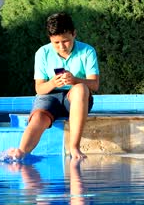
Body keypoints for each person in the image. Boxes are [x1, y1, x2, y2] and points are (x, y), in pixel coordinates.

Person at [8, 12, 100, 160]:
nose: (62, 46)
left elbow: (94, 85)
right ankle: (22, 151)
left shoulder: (87, 51)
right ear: (50, 39)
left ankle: (74, 147)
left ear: (74, 34)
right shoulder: (42, 53)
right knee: (38, 117)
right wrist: (52, 82)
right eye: (56, 43)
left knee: (81, 89)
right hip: (49, 96)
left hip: (77, 98)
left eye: (66, 41)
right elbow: (39, 89)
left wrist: (75, 79)